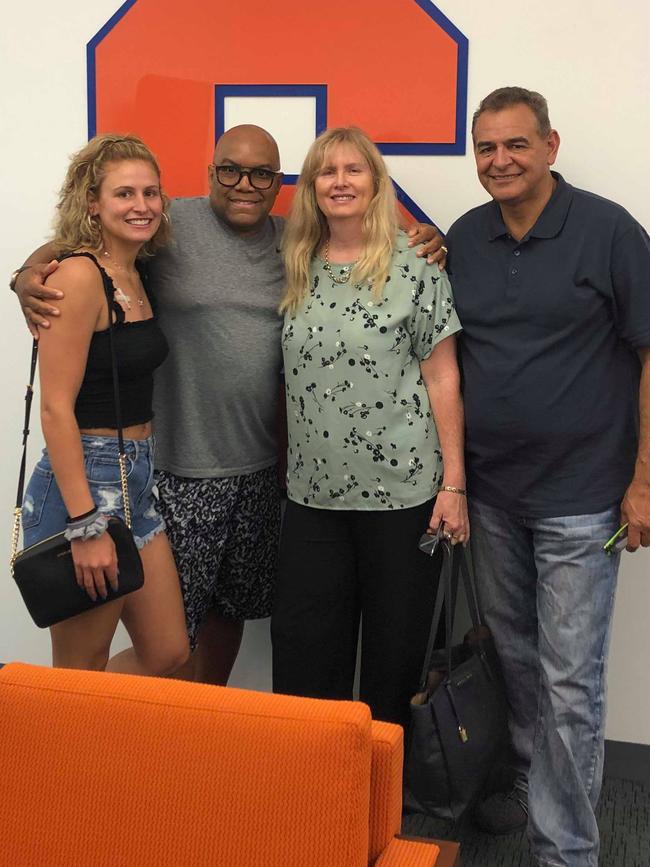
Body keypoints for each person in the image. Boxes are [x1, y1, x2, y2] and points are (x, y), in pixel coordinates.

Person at [13, 125, 445, 685]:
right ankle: (93, 743)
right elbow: (82, 248)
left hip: (263, 471)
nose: (245, 183)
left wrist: (435, 238)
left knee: (223, 617)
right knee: (158, 641)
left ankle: (205, 742)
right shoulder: (169, 226)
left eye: (262, 173)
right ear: (210, 173)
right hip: (177, 470)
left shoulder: (297, 241)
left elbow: (365, 242)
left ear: (280, 183)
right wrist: (27, 272)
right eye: (230, 170)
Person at [445, 87, 650, 866]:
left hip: (582, 495)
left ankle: (565, 849)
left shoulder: (608, 230)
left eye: (516, 145)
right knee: (517, 661)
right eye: (486, 148)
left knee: (571, 679)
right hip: (493, 494)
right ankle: (535, 787)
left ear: (551, 145)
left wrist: (644, 481)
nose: (500, 161)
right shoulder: (466, 237)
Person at [272, 126, 468, 728]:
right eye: (326, 172)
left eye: (353, 170)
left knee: (394, 663)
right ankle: (312, 798)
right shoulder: (293, 266)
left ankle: (380, 799)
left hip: (404, 497)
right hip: (312, 499)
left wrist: (454, 486)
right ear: (310, 188)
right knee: (307, 665)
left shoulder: (417, 268)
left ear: (377, 183)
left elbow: (443, 380)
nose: (339, 182)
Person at [18, 133, 190, 674]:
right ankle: (64, 753)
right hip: (86, 484)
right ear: (93, 202)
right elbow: (55, 410)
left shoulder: (137, 270)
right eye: (124, 194)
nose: (141, 206)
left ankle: (97, 727)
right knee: (79, 665)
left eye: (151, 193)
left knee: (167, 651)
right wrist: (86, 523)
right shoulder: (77, 276)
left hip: (137, 478)